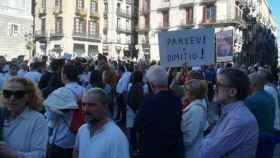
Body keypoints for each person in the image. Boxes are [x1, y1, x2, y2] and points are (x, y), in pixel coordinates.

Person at [201, 68, 259, 158]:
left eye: (219, 84)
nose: (214, 87)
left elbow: (206, 153)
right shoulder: (231, 113)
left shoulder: (239, 120)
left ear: (232, 92)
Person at [134, 65, 184, 158]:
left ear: (152, 84)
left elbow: (137, 125)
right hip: (174, 151)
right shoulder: (177, 100)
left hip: (154, 151)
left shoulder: (148, 103)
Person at [73, 88, 129, 158]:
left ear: (105, 107)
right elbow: (76, 152)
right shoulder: (82, 130)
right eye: (83, 104)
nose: (85, 109)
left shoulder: (116, 137)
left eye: (91, 105)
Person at [0, 77, 48, 158]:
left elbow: (40, 154)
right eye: (7, 93)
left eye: (19, 94)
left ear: (29, 97)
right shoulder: (1, 114)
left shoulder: (37, 119)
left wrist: (14, 154)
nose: (12, 98)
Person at [45, 63, 85, 158]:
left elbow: (51, 117)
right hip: (79, 138)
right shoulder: (85, 90)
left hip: (61, 139)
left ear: (65, 75)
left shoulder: (59, 92)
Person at [245, 72, 276, 158]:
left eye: (248, 83)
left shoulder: (251, 100)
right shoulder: (270, 97)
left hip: (258, 139)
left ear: (253, 85)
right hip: (270, 136)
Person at [181, 79, 208, 158]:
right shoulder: (195, 106)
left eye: (187, 91)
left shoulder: (196, 110)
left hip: (191, 153)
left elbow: (189, 138)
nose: (185, 93)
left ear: (193, 94)